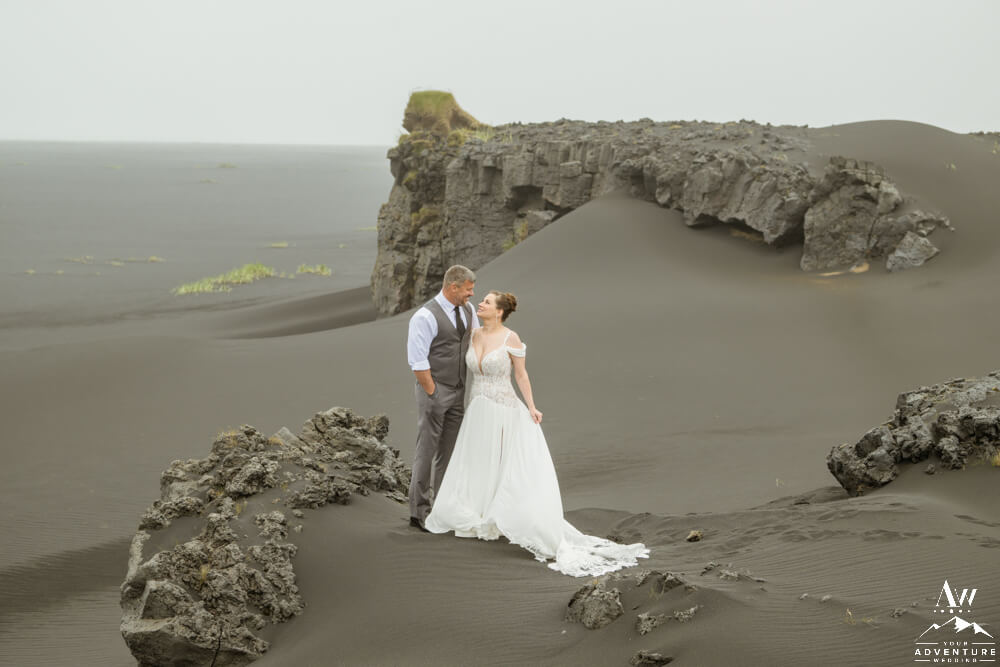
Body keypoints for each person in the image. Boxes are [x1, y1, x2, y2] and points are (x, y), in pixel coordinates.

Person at [423, 290, 650, 577]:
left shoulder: (511, 338)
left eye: (487, 302)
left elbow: (521, 375)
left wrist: (531, 406)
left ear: (499, 311)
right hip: (477, 410)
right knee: (478, 461)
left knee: (504, 462)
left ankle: (501, 515)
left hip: (503, 408)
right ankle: (478, 511)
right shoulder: (474, 333)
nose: (481, 303)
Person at [406, 265, 480, 532]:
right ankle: (419, 512)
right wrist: (433, 392)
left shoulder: (468, 311)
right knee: (426, 450)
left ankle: (442, 508)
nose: (471, 295)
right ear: (453, 287)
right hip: (435, 392)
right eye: (468, 290)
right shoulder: (425, 316)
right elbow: (417, 361)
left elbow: (476, 340)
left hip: (459, 391)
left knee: (449, 452)